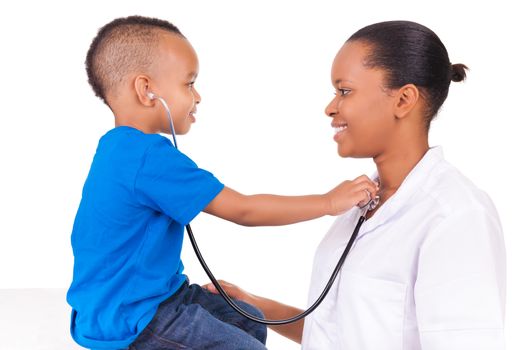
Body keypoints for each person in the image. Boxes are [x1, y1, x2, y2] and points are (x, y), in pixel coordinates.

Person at [66, 15, 380, 350]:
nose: (197, 96)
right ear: (146, 90)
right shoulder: (147, 157)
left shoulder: (117, 147)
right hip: (135, 316)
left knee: (244, 317)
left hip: (147, 296)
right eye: (189, 83)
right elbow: (243, 210)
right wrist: (328, 202)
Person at [204, 21, 506, 349]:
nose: (330, 107)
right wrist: (255, 306)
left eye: (344, 91)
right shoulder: (362, 205)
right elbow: (342, 333)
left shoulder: (456, 216)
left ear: (404, 100)